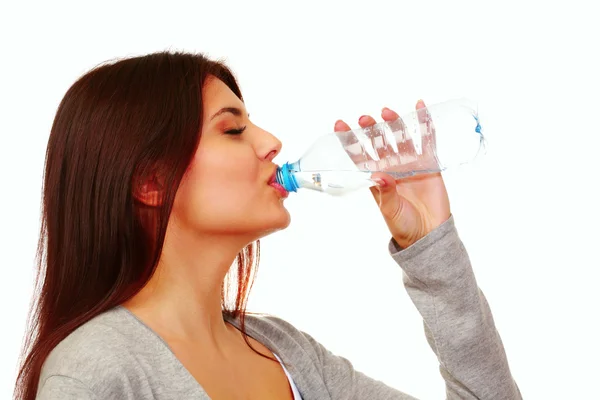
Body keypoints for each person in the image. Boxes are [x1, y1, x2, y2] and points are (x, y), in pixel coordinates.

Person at [14, 51, 521, 400]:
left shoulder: (287, 353)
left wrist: (431, 242)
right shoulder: (97, 369)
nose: (271, 141)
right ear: (150, 180)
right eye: (232, 129)